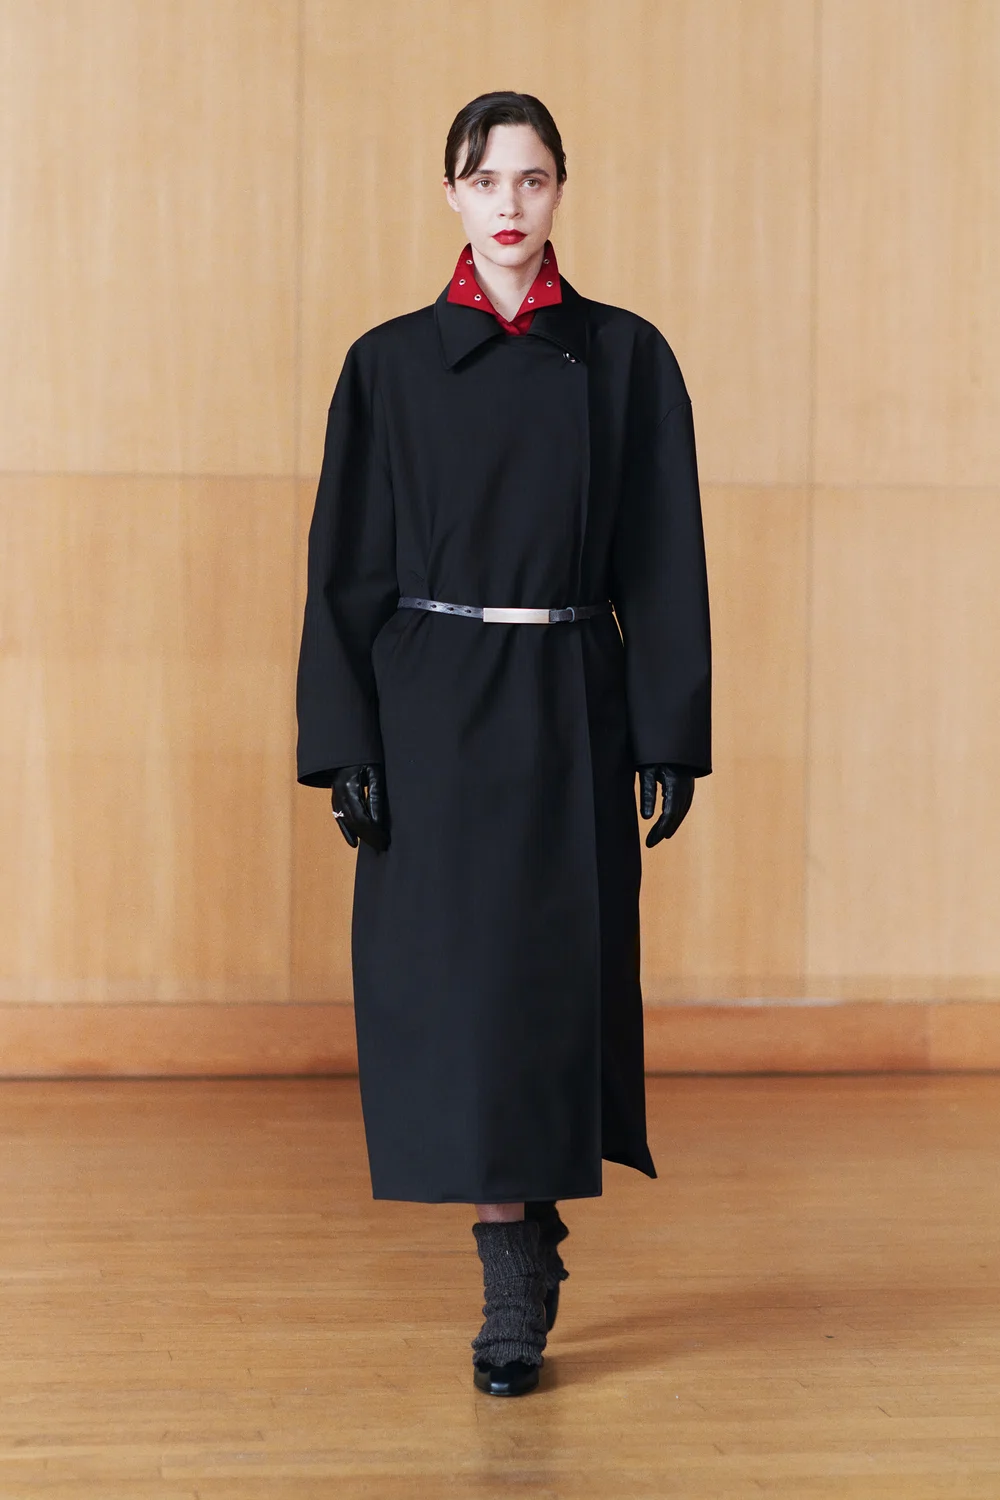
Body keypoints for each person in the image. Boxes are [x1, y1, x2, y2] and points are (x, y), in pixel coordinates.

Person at [296, 91, 711, 1397]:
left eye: (532, 179)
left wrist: (668, 731)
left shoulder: (628, 358)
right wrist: (346, 744)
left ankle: (528, 1245)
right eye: (487, 181)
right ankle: (512, 1282)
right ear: (452, 196)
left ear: (559, 191)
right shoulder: (387, 366)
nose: (511, 204)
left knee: (546, 994)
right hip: (434, 712)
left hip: (573, 701)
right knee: (464, 1005)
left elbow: (664, 557)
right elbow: (345, 569)